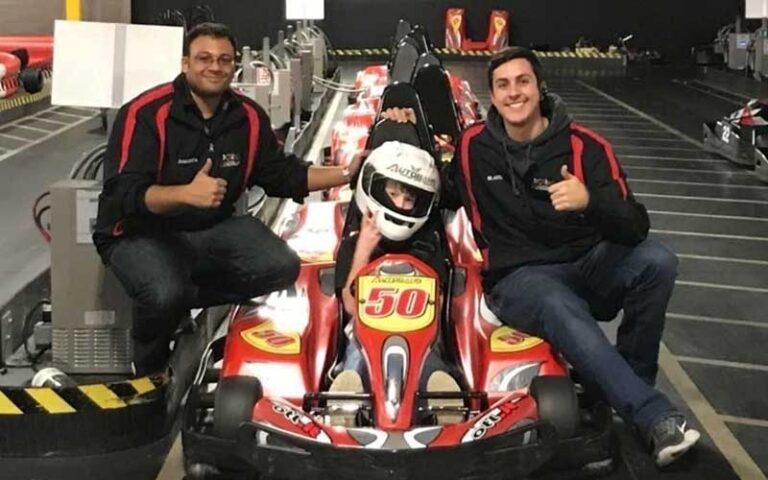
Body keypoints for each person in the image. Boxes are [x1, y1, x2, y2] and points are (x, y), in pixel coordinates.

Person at [443, 46, 699, 467]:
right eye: (503, 85)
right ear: (492, 95)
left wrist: (589, 201)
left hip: (586, 264)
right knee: (557, 303)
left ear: (539, 87)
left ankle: (630, 388)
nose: (514, 93)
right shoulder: (474, 147)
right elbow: (438, 186)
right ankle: (654, 416)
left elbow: (636, 225)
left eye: (522, 82)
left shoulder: (587, 147)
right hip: (519, 278)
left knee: (657, 262)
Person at [93, 23, 359, 376]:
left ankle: (182, 296)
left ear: (234, 66)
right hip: (138, 233)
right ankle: (149, 366)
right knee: (163, 293)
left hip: (209, 228)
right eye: (204, 58)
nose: (215, 67)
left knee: (281, 267)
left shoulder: (246, 116)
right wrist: (184, 194)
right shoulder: (146, 113)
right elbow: (123, 194)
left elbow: (282, 174)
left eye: (224, 60)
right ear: (185, 63)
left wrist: (348, 172)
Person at [329, 141, 460, 423]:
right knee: (355, 362)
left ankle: (444, 402)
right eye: (392, 194)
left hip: (422, 339)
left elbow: (437, 309)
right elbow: (350, 307)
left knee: (433, 367)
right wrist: (364, 248)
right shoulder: (354, 245)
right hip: (364, 338)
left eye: (409, 200)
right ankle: (346, 402)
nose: (400, 204)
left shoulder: (428, 246)